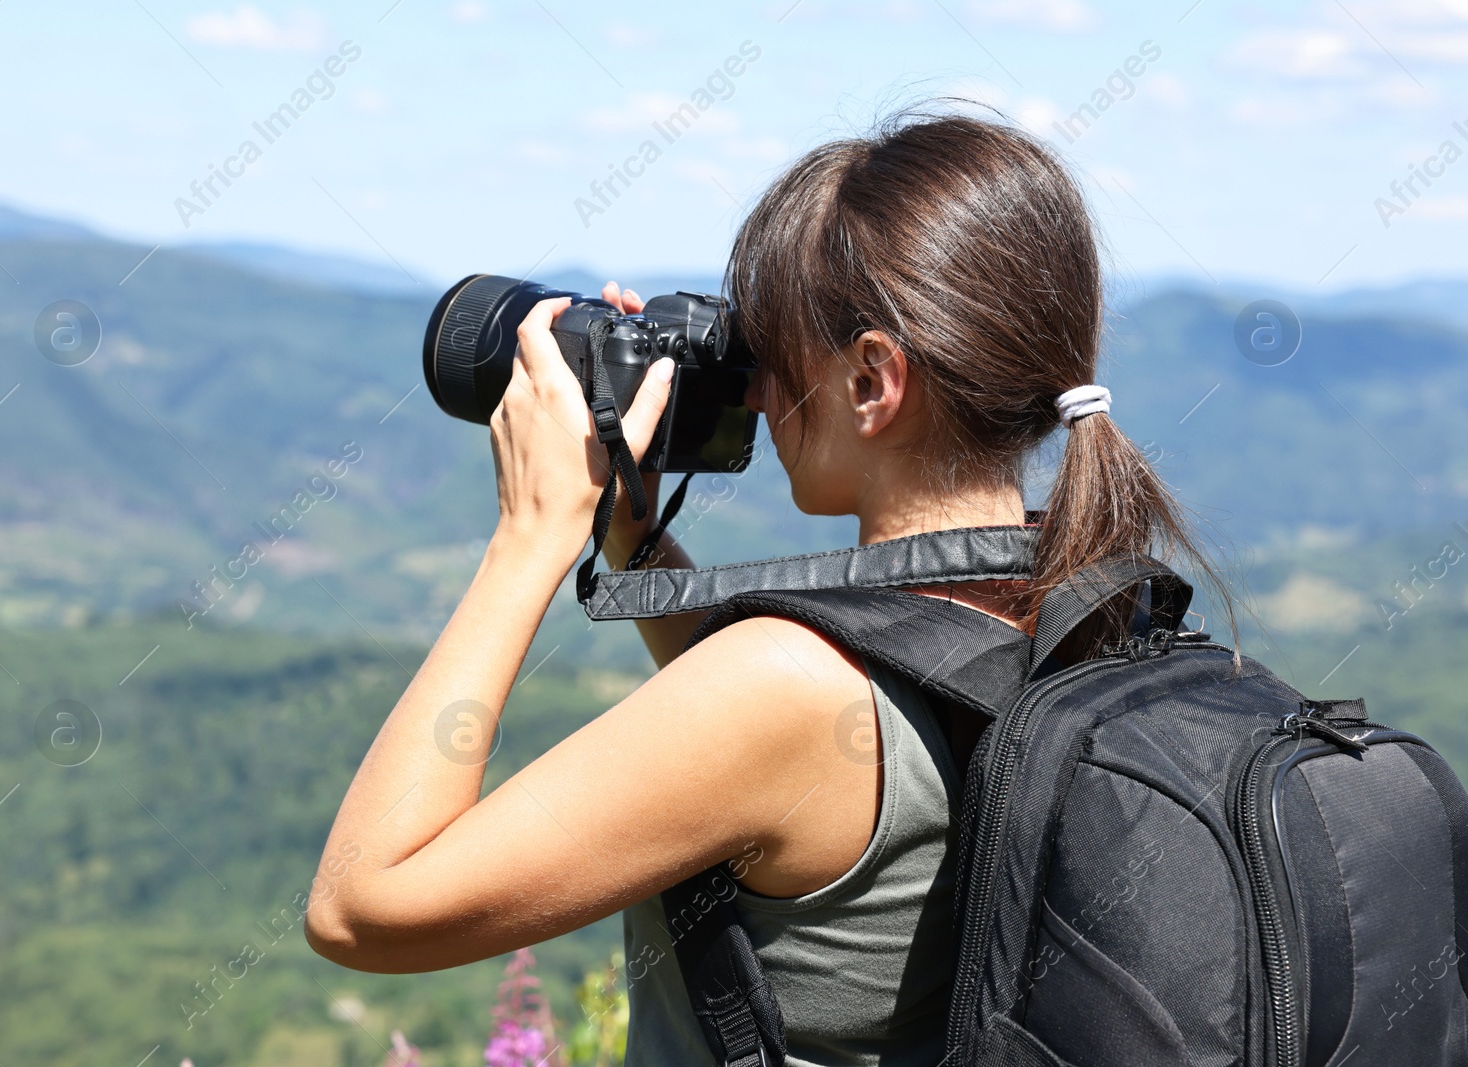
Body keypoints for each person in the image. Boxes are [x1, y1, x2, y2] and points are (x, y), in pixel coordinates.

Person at [305, 108, 1215, 1065]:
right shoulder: (1091, 602)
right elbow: (786, 758)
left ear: (873, 379)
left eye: (771, 350)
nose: (752, 390)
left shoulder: (788, 686)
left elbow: (361, 906)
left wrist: (532, 536)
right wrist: (634, 526)